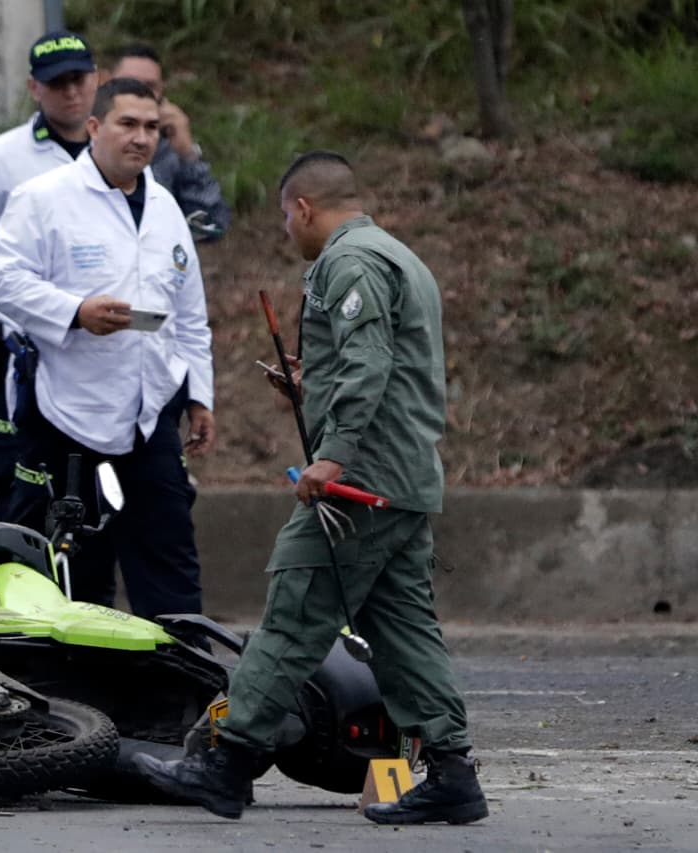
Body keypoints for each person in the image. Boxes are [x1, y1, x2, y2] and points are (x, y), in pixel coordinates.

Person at [133, 150, 488, 825]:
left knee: (295, 609)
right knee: (404, 627)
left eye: (285, 220)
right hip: (403, 481)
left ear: (302, 208)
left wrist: (332, 456)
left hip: (360, 486)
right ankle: (452, 770)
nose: (287, 233)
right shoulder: (397, 256)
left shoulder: (347, 263)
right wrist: (311, 384)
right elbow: (388, 362)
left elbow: (370, 363)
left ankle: (226, 762)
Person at [0, 77, 215, 619]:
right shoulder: (43, 199)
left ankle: (185, 697)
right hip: (69, 415)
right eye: (127, 124)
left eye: (152, 127)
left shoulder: (165, 208)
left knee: (171, 564)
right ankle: (77, 697)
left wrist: (200, 395)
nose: (140, 138)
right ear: (94, 127)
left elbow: (189, 316)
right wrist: (74, 312)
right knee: (77, 571)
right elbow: (2, 286)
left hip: (150, 412)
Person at [0, 29, 98, 507]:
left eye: (78, 79)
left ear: (97, 80)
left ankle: (85, 580)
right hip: (16, 341)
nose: (70, 91)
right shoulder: (0, 159)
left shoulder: (117, 153)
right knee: (12, 469)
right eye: (57, 83)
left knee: (92, 477)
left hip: (96, 345)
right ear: (34, 88)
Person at [105, 42, 230, 242]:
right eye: (130, 83)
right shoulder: (87, 142)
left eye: (150, 86)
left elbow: (210, 228)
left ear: (162, 91)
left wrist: (188, 154)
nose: (140, 93)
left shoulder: (169, 149)